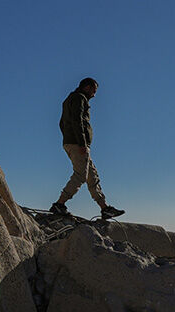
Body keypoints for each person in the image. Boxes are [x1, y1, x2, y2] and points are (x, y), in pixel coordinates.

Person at [50, 78, 124, 219]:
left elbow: (62, 123)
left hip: (72, 142)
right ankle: (59, 204)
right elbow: (77, 121)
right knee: (80, 175)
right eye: (93, 91)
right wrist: (81, 143)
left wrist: (68, 138)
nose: (94, 95)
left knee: (92, 175)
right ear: (87, 87)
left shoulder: (69, 99)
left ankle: (105, 208)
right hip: (78, 144)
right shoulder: (79, 98)